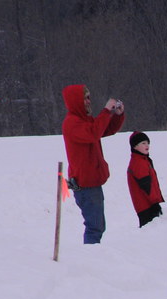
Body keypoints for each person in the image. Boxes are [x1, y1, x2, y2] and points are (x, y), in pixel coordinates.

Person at [61, 84, 125, 244]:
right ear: (77, 101)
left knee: (98, 226)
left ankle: (92, 257)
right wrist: (105, 111)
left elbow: (104, 130)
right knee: (94, 227)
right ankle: (90, 258)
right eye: (86, 98)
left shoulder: (84, 121)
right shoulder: (72, 123)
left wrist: (117, 115)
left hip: (92, 184)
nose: (89, 101)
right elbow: (94, 132)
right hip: (86, 186)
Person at [126, 131, 164, 227]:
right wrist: (155, 204)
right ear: (135, 146)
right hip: (146, 207)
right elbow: (146, 186)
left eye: (148, 143)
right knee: (150, 234)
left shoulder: (143, 160)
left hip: (147, 205)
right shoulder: (138, 163)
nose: (147, 145)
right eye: (143, 143)